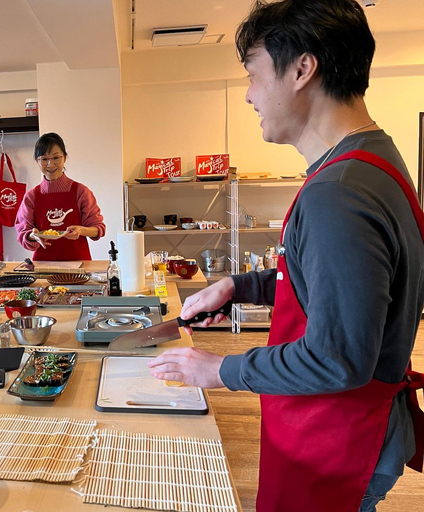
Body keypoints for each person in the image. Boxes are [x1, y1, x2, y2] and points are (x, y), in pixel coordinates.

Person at [146, 1, 424, 511]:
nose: (250, 95)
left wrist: (220, 371)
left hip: (337, 443)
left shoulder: (338, 192)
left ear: (302, 68)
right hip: (349, 428)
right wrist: (240, 286)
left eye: (252, 75)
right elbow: (339, 288)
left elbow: (337, 357)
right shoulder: (371, 160)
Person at [14, 132, 105, 260]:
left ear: (64, 158)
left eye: (56, 158)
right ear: (37, 161)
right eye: (44, 159)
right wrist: (32, 235)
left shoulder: (80, 192)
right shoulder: (32, 197)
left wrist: (81, 231)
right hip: (43, 266)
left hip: (78, 265)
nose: (50, 164)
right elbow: (23, 232)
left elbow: (98, 228)